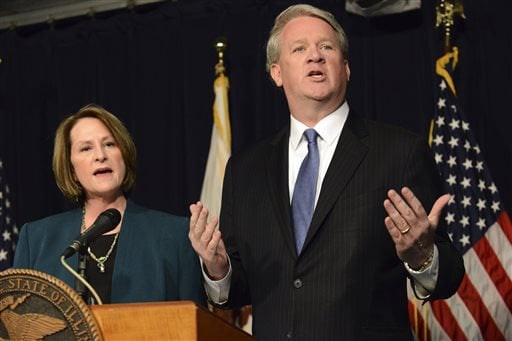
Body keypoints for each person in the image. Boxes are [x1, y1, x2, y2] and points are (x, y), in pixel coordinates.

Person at [189, 4, 464, 340]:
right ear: (276, 73)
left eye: (326, 47)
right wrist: (219, 270)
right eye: (299, 48)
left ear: (346, 68)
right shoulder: (245, 169)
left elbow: (449, 276)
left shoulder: (399, 151)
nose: (315, 57)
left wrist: (423, 257)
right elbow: (239, 292)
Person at [14, 103, 206, 306]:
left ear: (123, 155)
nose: (100, 155)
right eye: (86, 148)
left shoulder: (173, 235)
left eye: (110, 144)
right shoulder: (36, 240)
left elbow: (195, 325)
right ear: (71, 170)